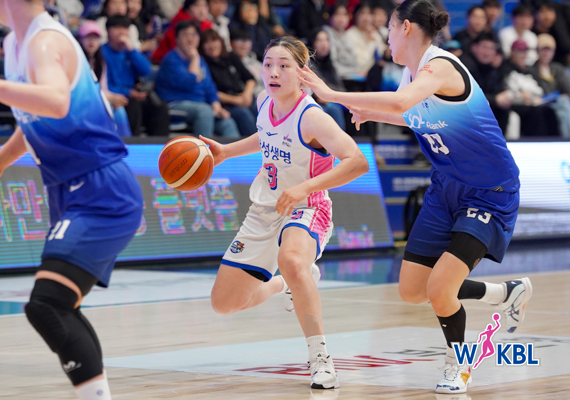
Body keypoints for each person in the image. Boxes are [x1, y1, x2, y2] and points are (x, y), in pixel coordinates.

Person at [298, 0, 533, 394]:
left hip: (488, 191)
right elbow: (410, 114)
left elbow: (402, 103)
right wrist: (370, 112)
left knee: (440, 290)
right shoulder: (412, 74)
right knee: (412, 290)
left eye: (389, 28)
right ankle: (504, 293)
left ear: (405, 27)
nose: (386, 37)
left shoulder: (440, 66)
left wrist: (333, 94)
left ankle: (458, 365)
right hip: (446, 188)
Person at [0, 1, 143, 399]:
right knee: (59, 302)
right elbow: (34, 114)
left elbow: (55, 101)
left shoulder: (44, 41)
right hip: (70, 187)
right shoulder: (15, 42)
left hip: (101, 188)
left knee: (47, 305)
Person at [201, 36, 369, 390]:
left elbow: (357, 162)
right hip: (265, 209)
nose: (273, 72)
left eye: (283, 66)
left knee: (291, 259)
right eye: (268, 64)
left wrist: (305, 188)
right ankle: (284, 284)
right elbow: (265, 136)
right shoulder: (265, 101)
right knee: (224, 303)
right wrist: (226, 152)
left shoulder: (313, 117)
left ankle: (320, 359)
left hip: (307, 207)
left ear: (301, 73)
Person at [155, 21, 240, 138]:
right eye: (185, 34)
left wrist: (216, 105)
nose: (190, 39)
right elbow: (188, 83)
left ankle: (232, 151)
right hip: (175, 103)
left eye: (194, 35)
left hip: (200, 105)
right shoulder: (171, 60)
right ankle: (203, 149)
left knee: (227, 122)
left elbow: (209, 86)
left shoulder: (201, 60)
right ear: (177, 38)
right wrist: (195, 58)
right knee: (204, 111)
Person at [102, 15, 169, 136]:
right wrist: (129, 92)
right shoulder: (101, 53)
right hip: (115, 95)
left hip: (135, 93)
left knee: (160, 108)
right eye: (117, 28)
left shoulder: (129, 51)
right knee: (133, 106)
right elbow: (105, 84)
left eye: (125, 28)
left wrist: (132, 50)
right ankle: (133, 144)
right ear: (107, 31)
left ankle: (161, 144)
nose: (121, 32)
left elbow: (146, 70)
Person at [78, 20, 132, 137]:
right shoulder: (76, 62)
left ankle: (125, 142)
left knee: (119, 109)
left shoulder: (100, 63)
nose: (92, 41)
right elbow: (80, 93)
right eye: (88, 37)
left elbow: (103, 89)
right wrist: (110, 98)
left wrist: (114, 97)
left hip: (97, 101)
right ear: (80, 39)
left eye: (95, 37)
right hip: (80, 104)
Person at [200, 29, 258, 136]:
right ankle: (256, 144)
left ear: (221, 42)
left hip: (242, 98)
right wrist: (237, 101)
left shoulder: (231, 57)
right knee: (243, 114)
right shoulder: (203, 64)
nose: (212, 45)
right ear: (202, 47)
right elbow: (210, 91)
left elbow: (250, 78)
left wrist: (247, 94)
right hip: (224, 105)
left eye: (214, 40)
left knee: (259, 109)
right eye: (207, 42)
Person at [530, 33, 570, 138]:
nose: (546, 53)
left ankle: (565, 139)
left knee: (563, 107)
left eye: (549, 50)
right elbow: (535, 91)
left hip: (559, 102)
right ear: (537, 50)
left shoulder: (558, 68)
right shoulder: (531, 69)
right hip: (541, 102)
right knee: (564, 104)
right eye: (543, 50)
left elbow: (566, 90)